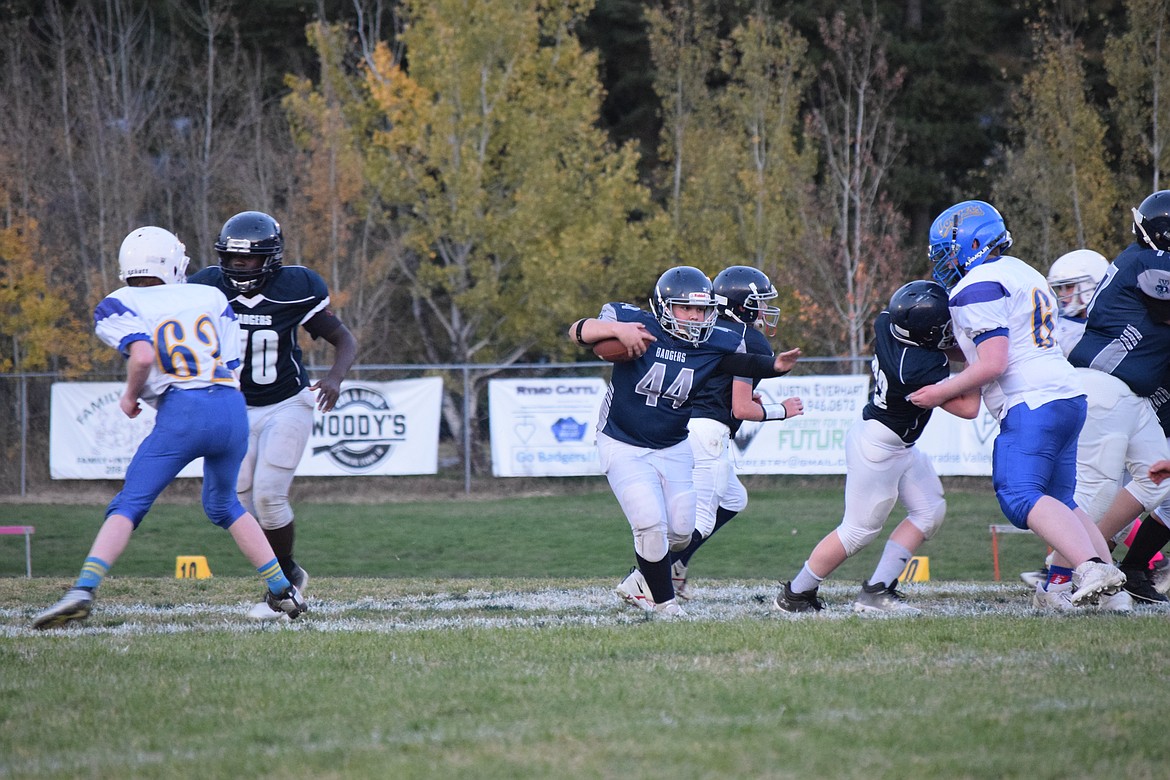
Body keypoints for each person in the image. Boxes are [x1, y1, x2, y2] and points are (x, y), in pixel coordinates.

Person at [32, 227, 306, 629]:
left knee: (129, 503)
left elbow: (142, 356)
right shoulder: (209, 295)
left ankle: (84, 589)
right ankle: (283, 589)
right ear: (174, 263)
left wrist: (130, 396)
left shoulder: (118, 302)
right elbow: (232, 366)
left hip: (184, 409)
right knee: (224, 505)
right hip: (231, 407)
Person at [908, 200, 1126, 610]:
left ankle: (1091, 567)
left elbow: (994, 362)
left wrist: (938, 392)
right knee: (1061, 500)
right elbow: (998, 345)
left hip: (1031, 401)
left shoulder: (975, 285)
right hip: (1065, 393)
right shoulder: (1021, 271)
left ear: (969, 244)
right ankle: (1092, 585)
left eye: (945, 251)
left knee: (1019, 493)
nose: (943, 262)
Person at [569, 265, 801, 617]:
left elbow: (740, 363)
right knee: (649, 522)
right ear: (665, 307)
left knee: (680, 533)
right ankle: (665, 604)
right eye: (685, 308)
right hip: (622, 440)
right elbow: (578, 330)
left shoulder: (718, 340)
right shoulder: (637, 323)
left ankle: (650, 578)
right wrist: (617, 330)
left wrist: (775, 367)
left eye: (700, 308)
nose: (694, 316)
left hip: (675, 443)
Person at [774, 280, 981, 614]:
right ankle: (796, 594)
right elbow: (969, 407)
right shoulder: (916, 368)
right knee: (857, 531)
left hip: (894, 442)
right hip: (881, 448)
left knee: (929, 511)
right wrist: (978, 351)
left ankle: (878, 590)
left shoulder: (888, 322)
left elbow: (932, 340)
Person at [189, 211, 357, 620]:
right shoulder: (206, 288)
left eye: (247, 259)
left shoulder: (296, 288)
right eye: (231, 258)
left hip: (287, 403)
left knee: (269, 493)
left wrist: (335, 377)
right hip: (234, 406)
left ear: (270, 259)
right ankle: (289, 573)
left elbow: (343, 338)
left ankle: (282, 586)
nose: (237, 266)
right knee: (241, 499)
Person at [638, 265, 804, 601]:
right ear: (742, 304)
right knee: (700, 521)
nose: (764, 310)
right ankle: (642, 580)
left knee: (733, 499)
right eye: (759, 302)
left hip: (686, 426)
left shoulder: (708, 330)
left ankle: (675, 565)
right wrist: (780, 410)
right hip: (709, 433)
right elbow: (742, 408)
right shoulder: (745, 338)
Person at [1066, 190, 1170, 604]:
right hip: (1105, 384)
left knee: (1156, 477)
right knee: (1097, 491)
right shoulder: (1147, 259)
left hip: (1132, 395)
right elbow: (1163, 304)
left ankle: (1095, 555)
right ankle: (1061, 572)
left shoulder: (1147, 258)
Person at [1018, 247, 1109, 587]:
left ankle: (1064, 573)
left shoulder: (1095, 327)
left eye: (1070, 287)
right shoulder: (1062, 328)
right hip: (1082, 422)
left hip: (1099, 420)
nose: (1063, 296)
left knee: (1084, 500)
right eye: (1061, 288)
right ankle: (1064, 572)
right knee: (1073, 499)